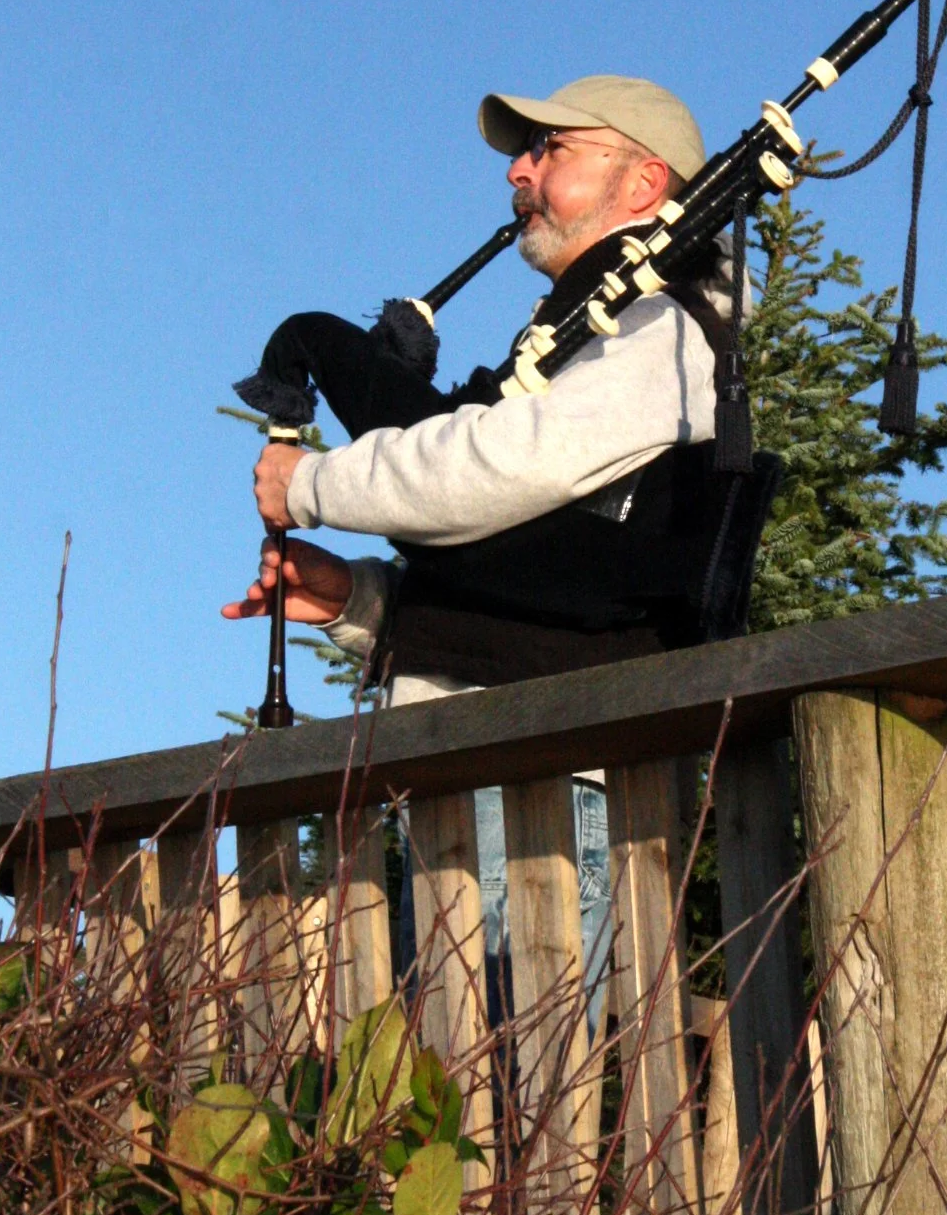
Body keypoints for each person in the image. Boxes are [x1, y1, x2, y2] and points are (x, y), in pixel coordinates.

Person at [222, 75, 768, 1024]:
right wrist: (356, 599)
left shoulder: (667, 326)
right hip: (477, 775)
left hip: (542, 798)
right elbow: (548, 564)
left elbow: (497, 467)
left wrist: (310, 484)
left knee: (517, 1128)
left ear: (644, 184)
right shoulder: (584, 335)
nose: (520, 170)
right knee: (454, 1129)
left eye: (553, 149)